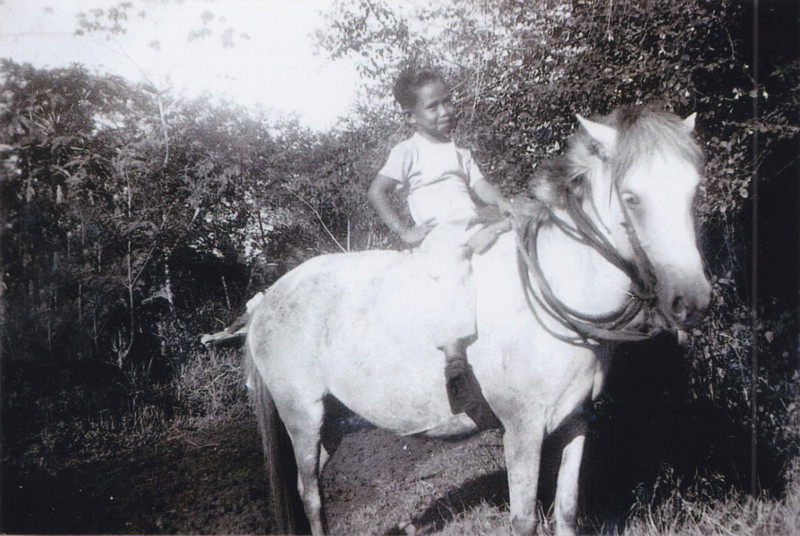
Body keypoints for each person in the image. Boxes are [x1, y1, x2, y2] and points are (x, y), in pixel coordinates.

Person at [368, 68, 513, 415]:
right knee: (452, 269)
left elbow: (480, 187)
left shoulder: (460, 152)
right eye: (433, 107)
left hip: (472, 224)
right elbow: (377, 191)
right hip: (441, 237)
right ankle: (454, 359)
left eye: (447, 102)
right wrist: (405, 231)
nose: (445, 111)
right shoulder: (408, 151)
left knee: (515, 237)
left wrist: (502, 202)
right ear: (411, 116)